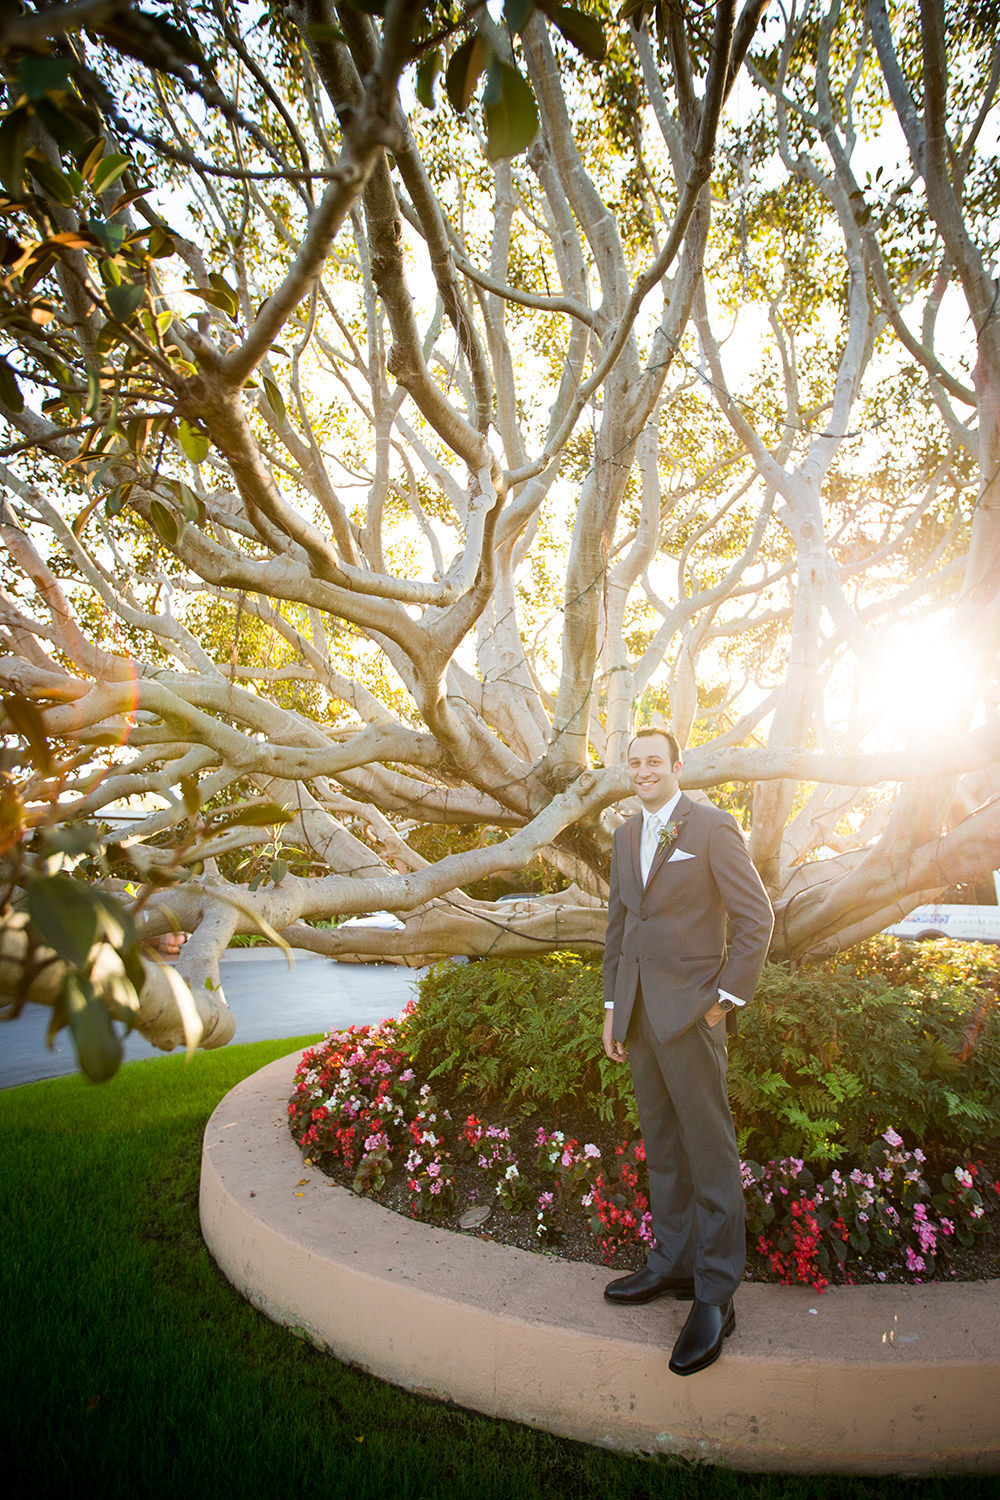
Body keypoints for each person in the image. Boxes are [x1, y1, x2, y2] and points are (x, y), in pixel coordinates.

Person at [602, 728, 773, 1376]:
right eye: (635, 763)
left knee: (710, 1153)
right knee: (664, 1149)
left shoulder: (710, 827)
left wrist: (724, 998)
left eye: (655, 761)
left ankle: (716, 1294)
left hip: (693, 1017)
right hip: (641, 1017)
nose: (644, 771)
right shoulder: (623, 836)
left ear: (677, 766)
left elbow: (756, 917)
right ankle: (671, 1264)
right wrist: (614, 1010)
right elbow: (620, 927)